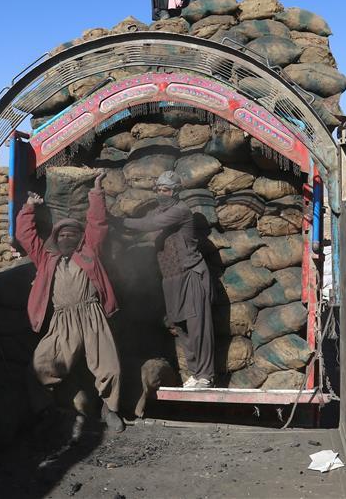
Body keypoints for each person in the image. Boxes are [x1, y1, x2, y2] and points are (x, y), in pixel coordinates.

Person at [15, 171, 125, 433]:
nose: (67, 238)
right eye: (62, 235)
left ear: (79, 238)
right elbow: (25, 236)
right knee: (41, 365)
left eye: (72, 235)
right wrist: (29, 207)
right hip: (62, 320)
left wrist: (96, 192)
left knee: (110, 367)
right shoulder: (46, 258)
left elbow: (97, 224)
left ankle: (110, 410)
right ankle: (45, 411)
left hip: (92, 316)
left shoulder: (89, 253)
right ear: (55, 238)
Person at [116, 171, 215, 388]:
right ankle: (196, 372)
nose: (162, 193)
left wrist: (119, 221)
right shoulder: (162, 211)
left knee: (197, 326)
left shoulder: (180, 211)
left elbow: (149, 224)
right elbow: (148, 221)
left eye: (166, 190)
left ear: (176, 191)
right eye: (159, 189)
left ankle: (205, 375)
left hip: (190, 275)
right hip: (171, 278)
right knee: (180, 326)